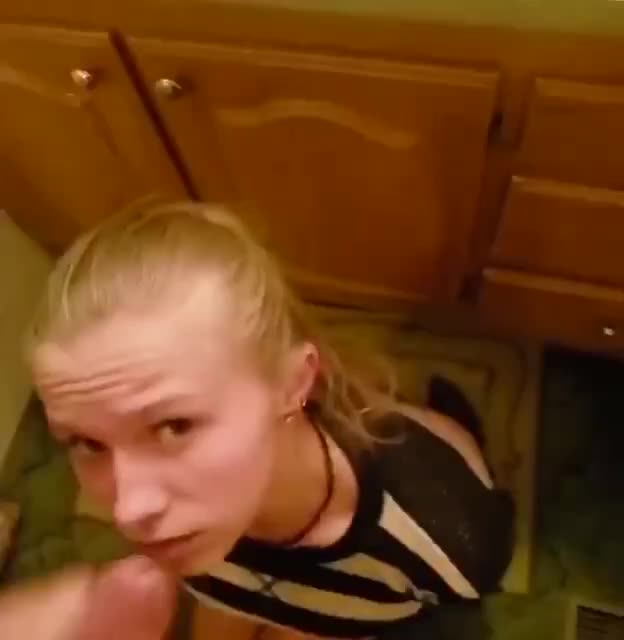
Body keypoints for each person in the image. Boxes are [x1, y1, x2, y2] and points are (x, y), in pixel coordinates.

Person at [5, 201, 514, 639]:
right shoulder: (195, 524)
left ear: (293, 384)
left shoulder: (442, 541)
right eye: (86, 442)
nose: (127, 511)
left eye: (175, 426)